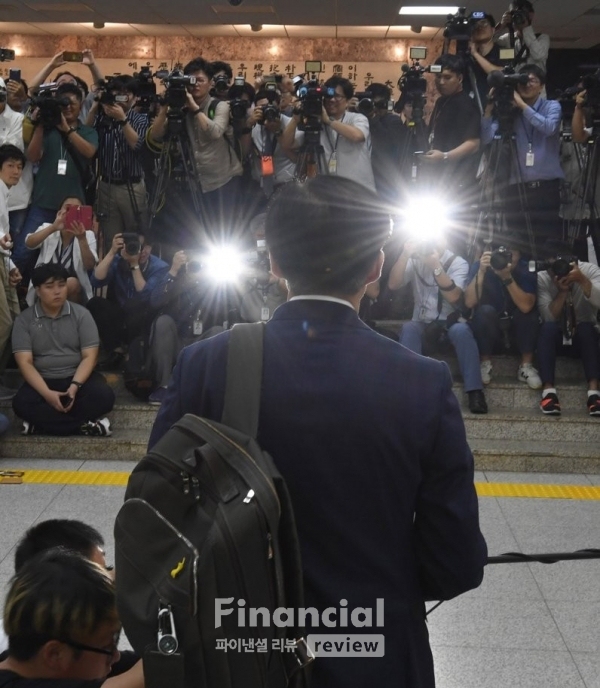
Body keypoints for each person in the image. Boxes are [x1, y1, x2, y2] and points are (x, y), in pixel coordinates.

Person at [149, 176, 487, 688]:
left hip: (236, 658)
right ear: (375, 267)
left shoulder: (204, 365)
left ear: (274, 264)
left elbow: (157, 521)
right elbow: (455, 563)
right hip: (376, 657)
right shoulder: (423, 382)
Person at [0, 548, 143, 688]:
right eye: (107, 648)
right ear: (55, 654)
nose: (116, 657)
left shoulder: (33, 661)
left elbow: (145, 665)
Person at [148, 56, 243, 245]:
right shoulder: (180, 108)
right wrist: (167, 105)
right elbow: (155, 136)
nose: (195, 85)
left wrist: (194, 108)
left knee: (223, 232)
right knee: (199, 233)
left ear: (210, 83)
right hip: (196, 183)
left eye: (200, 80)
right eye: (191, 81)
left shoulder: (219, 105)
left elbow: (216, 132)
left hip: (223, 180)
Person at [388, 236, 489, 414]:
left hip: (450, 322)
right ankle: (407, 391)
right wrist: (405, 254)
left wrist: (436, 266)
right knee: (408, 328)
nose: (432, 241)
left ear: (445, 240)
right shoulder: (415, 259)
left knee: (463, 331)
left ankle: (475, 392)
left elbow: (455, 297)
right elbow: (393, 284)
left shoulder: (457, 263)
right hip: (422, 322)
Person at [12, 263, 115, 436]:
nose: (57, 291)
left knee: (104, 397)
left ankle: (42, 426)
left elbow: (89, 356)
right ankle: (84, 425)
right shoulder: (24, 320)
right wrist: (47, 394)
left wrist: (74, 387)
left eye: (61, 285)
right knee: (21, 404)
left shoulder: (82, 314)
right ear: (37, 290)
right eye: (49, 287)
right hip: (42, 379)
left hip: (76, 378)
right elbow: (25, 363)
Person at [481, 64, 563, 255]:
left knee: (546, 245)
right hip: (516, 188)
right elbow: (486, 138)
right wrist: (489, 109)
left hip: (546, 188)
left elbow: (549, 127)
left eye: (532, 80)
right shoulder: (510, 111)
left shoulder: (551, 106)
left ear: (541, 86)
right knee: (518, 245)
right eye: (523, 81)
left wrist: (523, 106)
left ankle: (543, 281)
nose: (526, 85)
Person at [464, 237, 541, 388]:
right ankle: (485, 363)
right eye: (500, 255)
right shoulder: (481, 266)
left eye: (511, 254)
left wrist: (507, 277)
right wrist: (481, 271)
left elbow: (526, 306)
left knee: (529, 313)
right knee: (484, 311)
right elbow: (469, 302)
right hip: (491, 327)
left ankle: (526, 365)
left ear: (520, 255)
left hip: (518, 327)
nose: (506, 259)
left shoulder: (525, 268)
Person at [87, 232, 168, 375]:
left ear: (150, 247)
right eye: (136, 246)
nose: (141, 251)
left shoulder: (159, 267)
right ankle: (116, 351)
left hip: (144, 317)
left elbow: (145, 295)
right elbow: (96, 281)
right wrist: (112, 252)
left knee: (135, 304)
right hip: (121, 314)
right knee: (95, 303)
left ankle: (133, 352)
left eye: (145, 247)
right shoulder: (119, 259)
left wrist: (134, 264)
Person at [85, 75, 150, 252]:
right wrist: (95, 107)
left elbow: (138, 146)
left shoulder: (140, 119)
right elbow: (86, 134)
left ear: (135, 97)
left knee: (134, 237)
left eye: (126, 93)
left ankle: (134, 273)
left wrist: (123, 120)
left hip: (133, 185)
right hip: (106, 185)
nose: (121, 97)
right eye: (117, 93)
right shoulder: (102, 118)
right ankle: (111, 274)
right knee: (110, 241)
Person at [536, 241, 600, 416]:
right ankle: (549, 393)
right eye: (553, 267)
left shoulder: (589, 270)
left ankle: (594, 394)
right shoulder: (543, 277)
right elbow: (549, 316)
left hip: (583, 336)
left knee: (587, 328)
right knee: (547, 328)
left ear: (574, 262)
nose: (557, 271)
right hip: (556, 336)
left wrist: (581, 280)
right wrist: (562, 292)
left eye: (561, 265)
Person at [280, 76, 376, 191]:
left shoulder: (357, 118)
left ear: (348, 100)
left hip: (359, 190)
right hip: (332, 193)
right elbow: (286, 145)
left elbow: (357, 136)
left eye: (337, 96)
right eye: (328, 96)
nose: (331, 100)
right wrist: (295, 119)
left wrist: (328, 120)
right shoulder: (316, 123)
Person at [421, 53, 481, 203]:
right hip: (438, 177)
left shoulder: (466, 104)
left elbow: (473, 144)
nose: (441, 82)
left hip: (458, 180)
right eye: (438, 77)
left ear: (460, 78)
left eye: (447, 77)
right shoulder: (442, 101)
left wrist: (445, 156)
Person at [24, 195, 98, 305]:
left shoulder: (87, 235)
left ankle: (71, 319)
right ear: (59, 212)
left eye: (77, 209)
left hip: (74, 288)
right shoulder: (47, 227)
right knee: (50, 284)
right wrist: (53, 228)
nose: (71, 212)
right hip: (46, 280)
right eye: (68, 208)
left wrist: (82, 239)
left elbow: (90, 265)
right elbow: (29, 243)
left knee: (71, 283)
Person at [0, 144, 25, 401]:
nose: (16, 171)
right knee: (5, 322)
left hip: (3, 260)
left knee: (15, 319)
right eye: (11, 166)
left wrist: (11, 267)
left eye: (19, 167)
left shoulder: (4, 193)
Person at [494, 0, 550, 73]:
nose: (516, 16)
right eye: (513, 13)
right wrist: (501, 26)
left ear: (530, 15)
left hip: (533, 82)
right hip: (515, 82)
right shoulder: (507, 38)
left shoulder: (542, 38)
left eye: (520, 13)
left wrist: (526, 28)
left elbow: (538, 56)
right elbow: (487, 43)